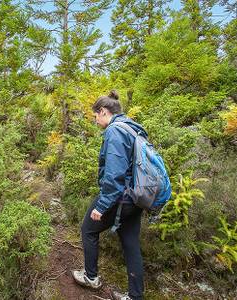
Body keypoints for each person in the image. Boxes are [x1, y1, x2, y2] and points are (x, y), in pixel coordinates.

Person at [72, 90, 146, 300]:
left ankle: (91, 277)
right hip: (136, 196)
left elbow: (114, 174)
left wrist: (102, 205)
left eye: (95, 116)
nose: (95, 121)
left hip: (120, 197)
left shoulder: (114, 131)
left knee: (88, 229)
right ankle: (135, 296)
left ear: (103, 111)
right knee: (131, 243)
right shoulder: (131, 127)